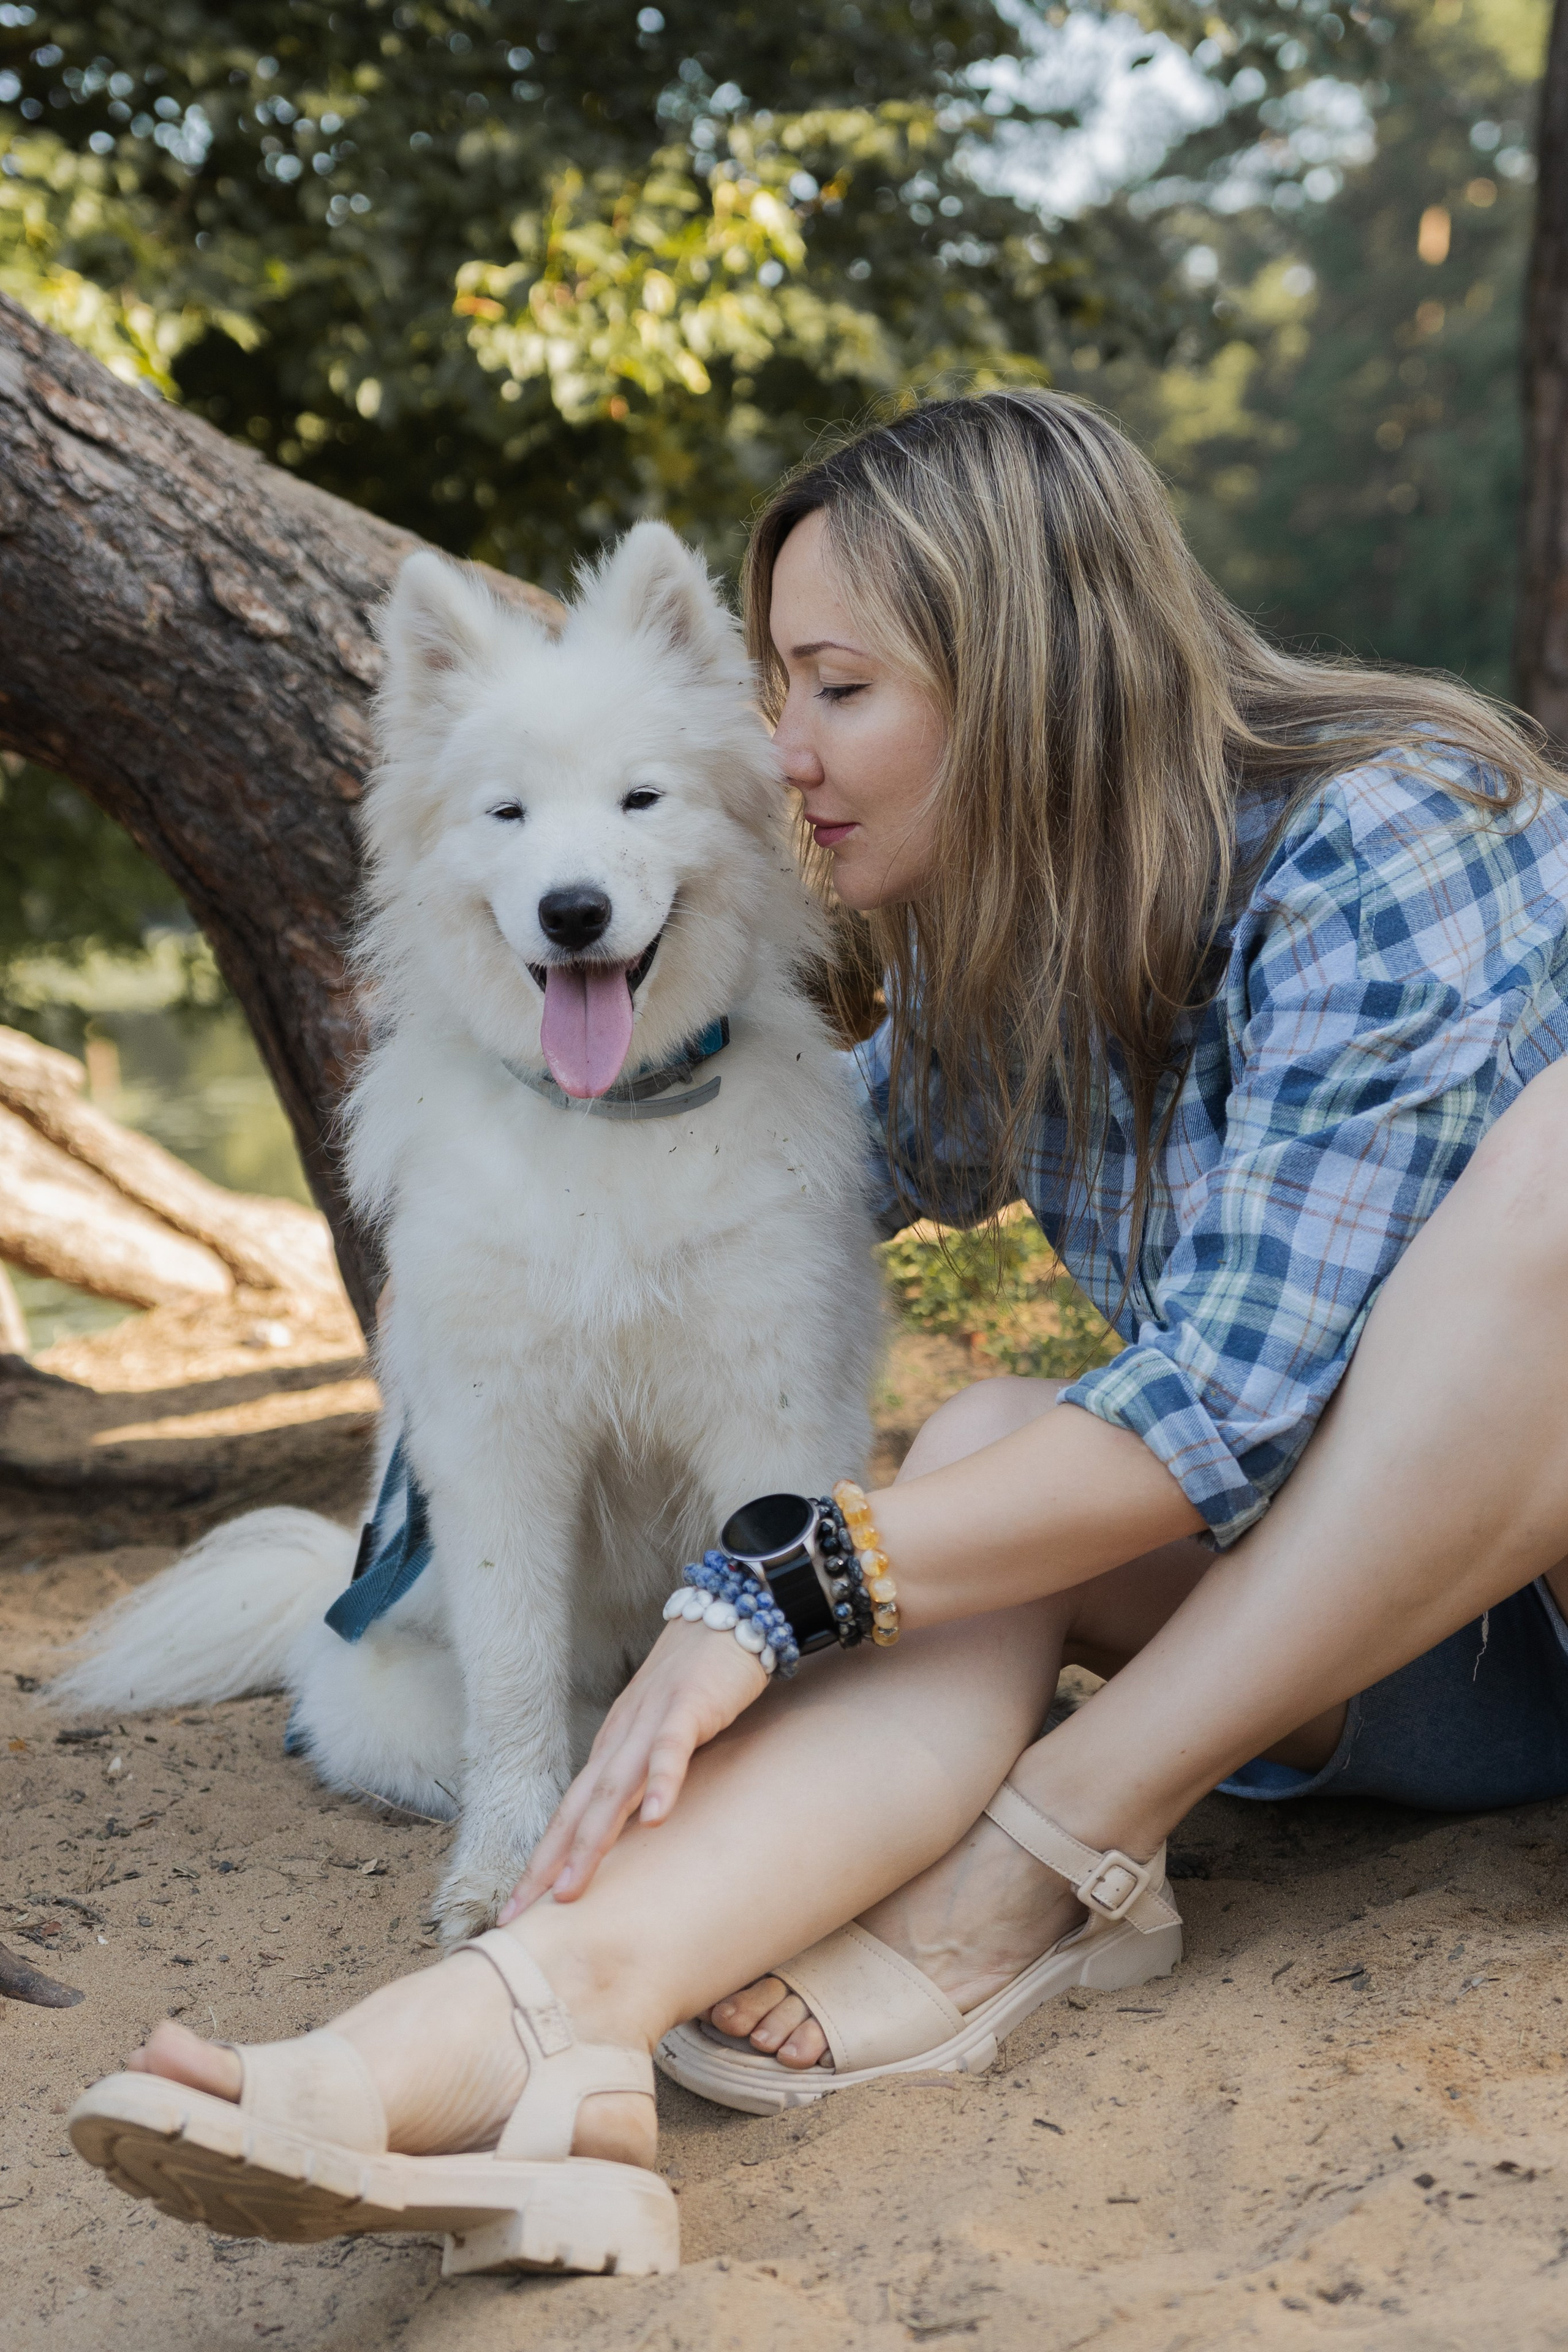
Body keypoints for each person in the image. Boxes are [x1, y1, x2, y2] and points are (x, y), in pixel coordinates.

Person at [69, 392, 1568, 2274]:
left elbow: (1217, 1412)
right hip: (1418, 1666)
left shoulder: (1383, 838)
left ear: (1023, 672)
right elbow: (785, 1171)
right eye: (778, 686)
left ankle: (1031, 1873)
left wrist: (776, 1578)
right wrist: (515, 1174)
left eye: (834, 688)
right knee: (983, 1451)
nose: (779, 752)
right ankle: (517, 2026)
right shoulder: (999, 946)